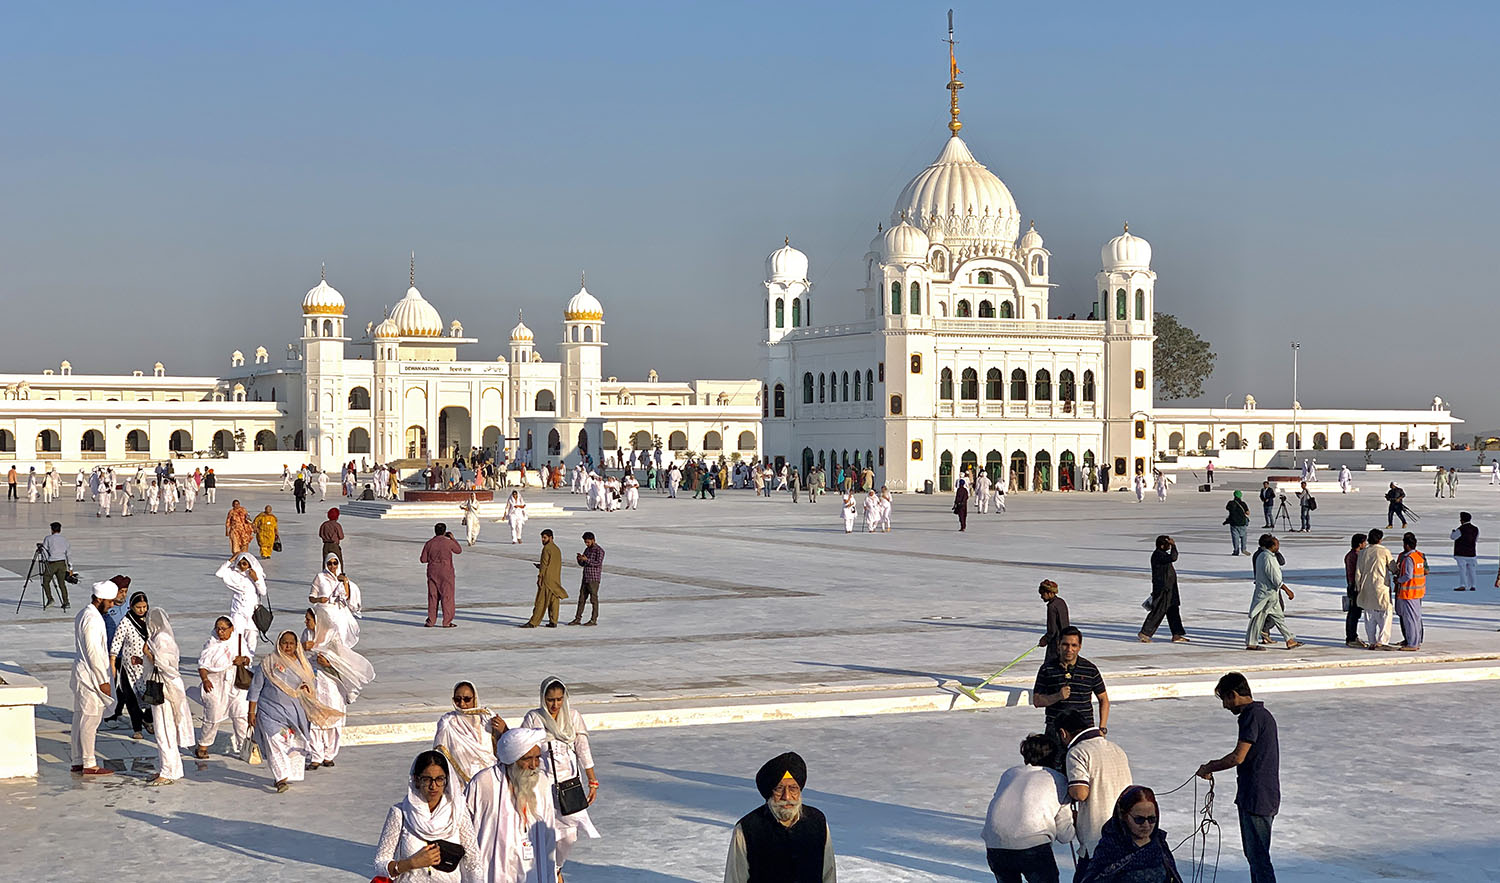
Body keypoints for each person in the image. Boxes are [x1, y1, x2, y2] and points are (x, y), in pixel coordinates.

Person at [1196, 673, 1280, 883]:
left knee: (1258, 857)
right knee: (1256, 856)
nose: (1225, 706)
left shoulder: (1252, 716)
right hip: (1262, 794)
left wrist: (1210, 767)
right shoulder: (1261, 714)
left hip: (1256, 796)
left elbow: (1237, 757)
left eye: (1225, 699)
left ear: (1233, 695)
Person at [520, 677, 601, 868]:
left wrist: (592, 781)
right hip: (542, 786)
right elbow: (521, 749)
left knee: (570, 835)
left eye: (559, 699)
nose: (555, 704)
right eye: (550, 700)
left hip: (569, 786)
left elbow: (583, 749)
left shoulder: (573, 717)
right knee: (547, 832)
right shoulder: (534, 718)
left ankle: (556, 867)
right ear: (543, 698)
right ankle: (548, 872)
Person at [724, 751, 837, 883]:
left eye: (793, 788)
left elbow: (828, 874)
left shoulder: (817, 822)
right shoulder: (747, 829)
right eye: (779, 788)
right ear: (769, 792)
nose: (786, 797)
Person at [465, 727, 561, 882]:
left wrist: (551, 873)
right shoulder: (485, 782)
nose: (534, 765)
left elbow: (548, 833)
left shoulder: (541, 782)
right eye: (527, 759)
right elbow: (464, 828)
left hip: (532, 869)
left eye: (537, 758)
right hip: (493, 870)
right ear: (512, 759)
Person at [248, 630, 339, 792]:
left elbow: (312, 685)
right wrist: (251, 712)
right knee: (274, 742)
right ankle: (280, 778)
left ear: (297, 645)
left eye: (291, 643)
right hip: (270, 711)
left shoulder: (303, 664)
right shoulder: (268, 663)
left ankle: (288, 774)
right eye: (284, 642)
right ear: (278, 643)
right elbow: (255, 688)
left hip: (295, 713)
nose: (288, 646)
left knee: (292, 743)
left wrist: (306, 689)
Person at [375, 750, 482, 882]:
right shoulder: (400, 813)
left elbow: (473, 864)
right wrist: (411, 863)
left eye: (439, 779)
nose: (433, 786)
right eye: (427, 779)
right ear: (416, 780)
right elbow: (380, 863)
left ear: (446, 780)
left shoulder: (458, 812)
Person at [981, 734, 1073, 883]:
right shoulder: (1058, 780)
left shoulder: (1010, 774)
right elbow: (1065, 835)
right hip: (1031, 845)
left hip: (994, 844)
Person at [1055, 709, 1132, 880]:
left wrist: (1062, 786)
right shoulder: (1116, 748)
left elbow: (1080, 793)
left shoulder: (1077, 752)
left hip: (1096, 835)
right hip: (1124, 829)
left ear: (1063, 733)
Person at [301, 605, 376, 769]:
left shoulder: (332, 636)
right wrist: (303, 648)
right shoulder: (306, 635)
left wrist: (327, 664)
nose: (306, 622)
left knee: (333, 719)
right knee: (315, 719)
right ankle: (316, 755)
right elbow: (300, 657)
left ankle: (329, 754)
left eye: (308, 620)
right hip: (314, 682)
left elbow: (341, 661)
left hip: (332, 683)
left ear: (317, 621)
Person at [1076, 786, 1182, 883]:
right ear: (1124, 816)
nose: (1146, 825)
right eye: (1139, 819)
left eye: (1151, 819)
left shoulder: (1159, 844)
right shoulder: (1110, 848)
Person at [71, 580, 121, 775]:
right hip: (90, 677)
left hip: (85, 673)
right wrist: (103, 680)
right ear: (99, 598)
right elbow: (93, 652)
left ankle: (78, 759)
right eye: (109, 602)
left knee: (80, 718)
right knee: (90, 719)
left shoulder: (86, 613)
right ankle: (89, 763)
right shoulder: (92, 619)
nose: (111, 605)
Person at [142, 608, 194, 786]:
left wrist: (148, 653)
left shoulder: (161, 639)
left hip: (165, 690)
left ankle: (168, 771)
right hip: (166, 688)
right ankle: (170, 768)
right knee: (164, 731)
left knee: (165, 731)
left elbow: (164, 665)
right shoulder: (160, 638)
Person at [1032, 627, 1109, 736]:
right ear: (1059, 645)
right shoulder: (1047, 669)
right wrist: (1058, 696)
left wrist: (1102, 728)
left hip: (1083, 731)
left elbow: (1104, 699)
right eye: (1065, 644)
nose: (1069, 649)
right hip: (1056, 732)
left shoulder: (1090, 669)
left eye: (1074, 645)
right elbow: (1037, 701)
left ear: (1079, 647)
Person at [434, 681, 508, 793]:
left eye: (467, 699)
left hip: (491, 780)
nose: (462, 704)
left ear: (475, 699)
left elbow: (509, 746)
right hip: (460, 784)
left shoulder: (487, 718)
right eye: (457, 700)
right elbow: (440, 755)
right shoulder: (447, 722)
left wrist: (504, 730)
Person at [193, 616, 251, 759]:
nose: (220, 632)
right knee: (213, 716)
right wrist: (205, 680)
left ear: (231, 629)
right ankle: (203, 746)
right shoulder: (211, 644)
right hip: (216, 685)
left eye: (224, 629)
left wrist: (242, 660)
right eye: (218, 628)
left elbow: (248, 659)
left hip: (236, 685)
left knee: (241, 715)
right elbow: (203, 665)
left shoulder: (238, 641)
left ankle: (244, 749)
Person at [107, 589, 154, 739]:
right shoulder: (126, 622)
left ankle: (147, 719)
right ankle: (137, 728)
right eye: (138, 607)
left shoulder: (151, 621)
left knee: (152, 696)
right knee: (131, 697)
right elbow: (116, 643)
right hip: (129, 667)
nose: (142, 610)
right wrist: (113, 663)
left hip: (147, 666)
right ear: (132, 607)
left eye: (144, 607)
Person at [1246, 535, 1300, 651]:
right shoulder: (1267, 557)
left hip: (1271, 594)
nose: (1278, 546)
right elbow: (1274, 577)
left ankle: (1289, 640)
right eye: (1277, 544)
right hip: (1266, 594)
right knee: (1258, 617)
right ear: (1271, 546)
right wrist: (1287, 590)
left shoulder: (1264, 555)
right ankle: (1251, 643)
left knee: (1278, 617)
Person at [1355, 528, 1398, 650]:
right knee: (1386, 613)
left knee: (1369, 615)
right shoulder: (1384, 551)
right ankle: (1382, 641)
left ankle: (1372, 641)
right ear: (1380, 539)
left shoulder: (1363, 552)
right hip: (1381, 587)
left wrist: (1358, 587)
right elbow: (1393, 568)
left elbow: (1358, 572)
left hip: (1366, 588)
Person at [217, 553, 268, 655]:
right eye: (240, 563)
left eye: (244, 563)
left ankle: (247, 664)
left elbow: (263, 591)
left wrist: (256, 579)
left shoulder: (255, 573)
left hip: (252, 613)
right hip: (238, 611)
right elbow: (219, 573)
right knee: (237, 637)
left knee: (251, 639)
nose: (242, 566)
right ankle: (237, 662)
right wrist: (231, 560)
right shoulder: (234, 573)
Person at [1139, 536, 1187, 643]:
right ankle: (1145, 633)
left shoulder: (1162, 554)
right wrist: (1174, 546)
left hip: (1170, 588)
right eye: (1168, 545)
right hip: (1163, 589)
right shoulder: (1158, 555)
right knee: (1158, 611)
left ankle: (1176, 634)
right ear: (1162, 546)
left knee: (1173, 611)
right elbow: (1173, 557)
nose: (1169, 547)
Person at [309, 553, 362, 647]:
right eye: (330, 563)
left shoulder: (341, 578)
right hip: (324, 611)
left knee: (341, 638)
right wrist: (319, 599)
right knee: (326, 639)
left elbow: (346, 596)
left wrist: (345, 582)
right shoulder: (320, 577)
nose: (333, 566)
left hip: (339, 611)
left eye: (335, 563)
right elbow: (311, 597)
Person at [421, 523, 464, 629]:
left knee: (433, 596)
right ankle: (447, 621)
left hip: (432, 572)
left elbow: (423, 559)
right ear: (445, 531)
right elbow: (458, 550)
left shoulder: (429, 543)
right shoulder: (448, 542)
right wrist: (453, 539)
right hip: (446, 572)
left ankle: (431, 621)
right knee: (447, 596)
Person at [522, 529, 567, 628]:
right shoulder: (557, 549)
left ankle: (533, 622)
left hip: (547, 580)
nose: (542, 540)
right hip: (555, 580)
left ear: (551, 538)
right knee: (554, 601)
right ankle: (553, 621)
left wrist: (540, 577)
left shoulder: (546, 548)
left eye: (544, 538)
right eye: (542, 538)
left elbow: (545, 565)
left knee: (541, 602)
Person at [1394, 532, 1427, 651]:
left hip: (1408, 593)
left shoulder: (1408, 559)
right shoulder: (1419, 556)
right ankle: (1416, 641)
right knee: (1416, 619)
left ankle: (1412, 644)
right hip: (1418, 592)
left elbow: (1407, 575)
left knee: (1410, 620)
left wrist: (1398, 580)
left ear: (1406, 545)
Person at [568, 531, 604, 626]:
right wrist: (580, 560)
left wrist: (586, 560)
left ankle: (593, 619)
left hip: (594, 578)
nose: (586, 544)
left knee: (593, 599)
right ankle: (577, 618)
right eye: (585, 542)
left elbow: (598, 564)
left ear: (593, 540)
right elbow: (583, 564)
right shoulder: (587, 550)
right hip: (586, 577)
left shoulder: (599, 551)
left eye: (588, 542)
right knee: (581, 599)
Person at [1343, 533, 1368, 648]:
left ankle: (1352, 635)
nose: (1366, 544)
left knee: (1354, 613)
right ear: (1360, 544)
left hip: (1352, 585)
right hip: (1355, 586)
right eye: (1364, 542)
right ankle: (1351, 637)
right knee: (1354, 613)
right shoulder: (1356, 556)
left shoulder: (1350, 555)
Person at [40, 521, 72, 610]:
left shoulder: (48, 538)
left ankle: (50, 599)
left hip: (52, 563)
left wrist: (44, 560)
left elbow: (45, 551)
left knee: (45, 582)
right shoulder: (64, 540)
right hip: (62, 563)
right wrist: (70, 566)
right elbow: (68, 553)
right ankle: (66, 602)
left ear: (52, 530)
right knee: (62, 584)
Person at [1037, 581, 1069, 665]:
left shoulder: (1052, 607)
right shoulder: (1061, 602)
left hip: (1055, 643)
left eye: (1042, 594)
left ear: (1049, 593)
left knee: (1050, 666)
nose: (1041, 597)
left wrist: (1045, 639)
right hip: (1065, 639)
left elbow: (1052, 630)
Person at [1451, 512, 1479, 592]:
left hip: (1461, 554)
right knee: (1472, 570)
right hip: (1471, 553)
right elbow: (1476, 539)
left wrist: (1453, 531)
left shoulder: (1461, 529)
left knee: (1462, 570)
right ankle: (1473, 585)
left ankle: (1463, 585)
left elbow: (1453, 537)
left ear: (1462, 520)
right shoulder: (1475, 529)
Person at [1225, 491, 1250, 555]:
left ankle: (1236, 550)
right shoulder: (1243, 504)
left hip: (1233, 523)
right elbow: (1248, 513)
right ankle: (1243, 549)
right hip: (1242, 522)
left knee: (1235, 538)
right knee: (1243, 536)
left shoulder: (1230, 503)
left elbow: (1227, 508)